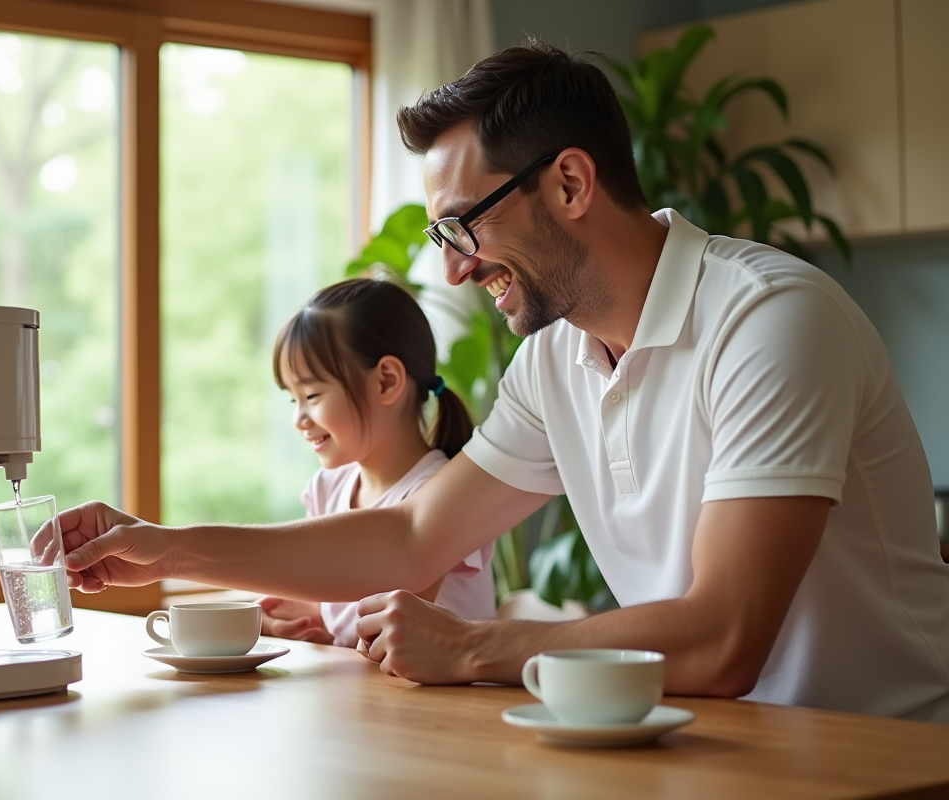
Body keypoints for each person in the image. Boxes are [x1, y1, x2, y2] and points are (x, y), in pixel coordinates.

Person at [58, 41, 949, 722]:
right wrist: (167, 546)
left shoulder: (769, 321)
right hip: (713, 750)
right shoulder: (553, 361)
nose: (451, 271)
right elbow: (412, 536)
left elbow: (723, 640)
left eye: (462, 228)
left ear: (568, 183)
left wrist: (480, 645)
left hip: (886, 755)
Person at [255, 278, 494, 647]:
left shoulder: (445, 496)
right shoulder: (326, 490)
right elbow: (337, 614)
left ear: (386, 381)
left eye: (312, 395)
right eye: (293, 399)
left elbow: (388, 634)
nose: (299, 419)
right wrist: (290, 622)